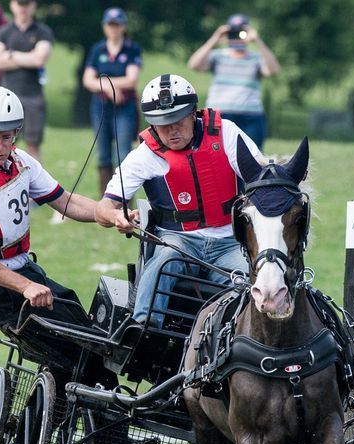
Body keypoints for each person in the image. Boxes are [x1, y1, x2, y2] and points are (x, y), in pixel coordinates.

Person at [0, 86, 157, 444]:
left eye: (7, 136)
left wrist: (109, 214)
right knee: (83, 352)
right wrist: (26, 286)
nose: (1, 146)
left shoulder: (21, 163)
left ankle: (76, 436)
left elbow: (64, 201)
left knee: (91, 334)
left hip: (26, 273)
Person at [94, 74, 264, 328]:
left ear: (193, 113)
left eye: (177, 121)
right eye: (162, 124)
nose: (171, 130)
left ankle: (240, 339)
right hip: (178, 241)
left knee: (255, 278)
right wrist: (117, 216)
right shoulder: (144, 156)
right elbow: (102, 209)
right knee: (165, 262)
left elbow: (261, 175)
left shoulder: (226, 133)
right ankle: (142, 328)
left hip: (230, 242)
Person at [187, 13, 280, 150]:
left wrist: (258, 41)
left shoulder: (256, 58)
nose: (237, 36)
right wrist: (215, 38)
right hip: (219, 115)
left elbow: (273, 70)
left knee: (253, 155)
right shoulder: (217, 56)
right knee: (216, 154)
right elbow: (194, 64)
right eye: (233, 33)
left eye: (241, 32)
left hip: (250, 116)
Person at [81, 7, 142, 197]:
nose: (113, 29)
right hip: (101, 107)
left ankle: (125, 199)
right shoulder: (97, 49)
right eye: (110, 25)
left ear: (123, 26)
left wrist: (104, 83)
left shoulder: (131, 49)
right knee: (103, 155)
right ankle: (106, 199)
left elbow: (131, 79)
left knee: (124, 154)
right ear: (104, 26)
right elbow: (87, 80)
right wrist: (108, 87)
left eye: (117, 25)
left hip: (124, 107)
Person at [0, 0, 53, 161]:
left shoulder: (43, 31)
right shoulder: (3, 31)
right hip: (7, 96)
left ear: (33, 6)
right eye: (20, 4)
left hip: (33, 96)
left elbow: (39, 59)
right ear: (12, 5)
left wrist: (11, 54)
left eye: (26, 4)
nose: (23, 8)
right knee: (3, 143)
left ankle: (36, 178)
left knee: (33, 144)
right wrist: (29, 57)